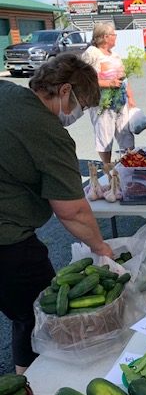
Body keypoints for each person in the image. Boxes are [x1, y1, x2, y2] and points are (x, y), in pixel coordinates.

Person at [0, 54, 114, 374]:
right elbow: (72, 209)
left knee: (21, 311)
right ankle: (29, 389)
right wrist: (101, 248)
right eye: (81, 105)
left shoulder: (6, 92)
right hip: (7, 239)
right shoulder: (48, 131)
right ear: (64, 91)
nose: (78, 115)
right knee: (40, 314)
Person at [82, 22, 135, 165]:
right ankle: (108, 167)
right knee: (105, 136)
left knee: (126, 133)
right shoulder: (92, 53)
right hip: (102, 104)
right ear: (105, 37)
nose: (116, 37)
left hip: (120, 101)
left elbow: (124, 78)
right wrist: (108, 83)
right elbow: (85, 79)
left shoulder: (115, 55)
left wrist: (130, 97)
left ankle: (129, 163)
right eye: (114, 34)